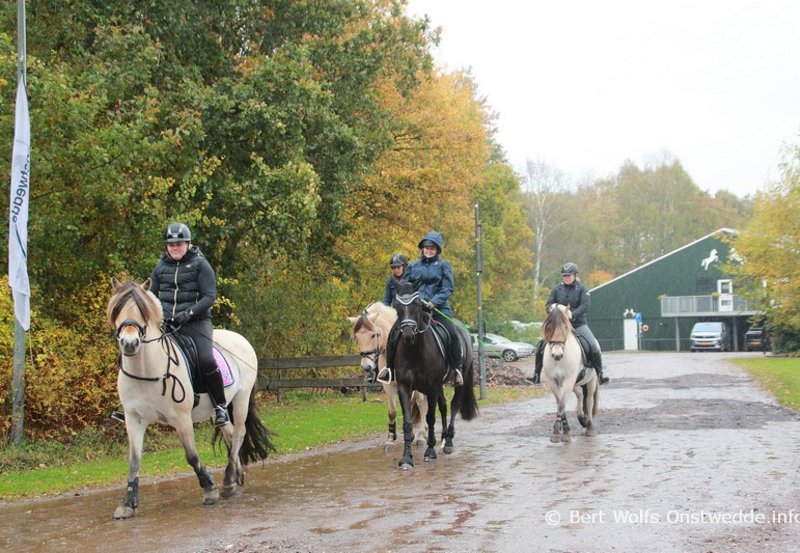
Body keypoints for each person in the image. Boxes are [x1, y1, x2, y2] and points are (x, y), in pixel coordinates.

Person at [111, 223, 230, 427]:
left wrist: (189, 312)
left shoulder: (201, 265)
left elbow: (209, 296)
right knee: (132, 354)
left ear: (187, 244)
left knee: (206, 360)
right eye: (171, 244)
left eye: (179, 244)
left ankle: (220, 406)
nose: (175, 247)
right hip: (166, 323)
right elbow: (150, 297)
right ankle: (131, 406)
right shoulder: (160, 268)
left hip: (196, 322)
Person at [379, 231, 464, 386]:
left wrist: (433, 301)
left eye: (432, 248)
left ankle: (456, 369)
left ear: (437, 250)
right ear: (422, 249)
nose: (429, 250)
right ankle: (389, 369)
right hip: (414, 309)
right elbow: (405, 286)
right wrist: (408, 300)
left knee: (451, 333)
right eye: (426, 247)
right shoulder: (413, 267)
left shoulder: (444, 266)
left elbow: (447, 288)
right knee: (393, 333)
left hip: (438, 308)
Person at [532, 262, 609, 385]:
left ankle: (600, 374)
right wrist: (555, 306)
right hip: (560, 326)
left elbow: (585, 305)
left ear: (575, 275)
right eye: (564, 276)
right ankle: (536, 374)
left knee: (593, 346)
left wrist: (572, 314)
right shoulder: (557, 289)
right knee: (541, 346)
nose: (566, 278)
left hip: (578, 324)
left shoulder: (582, 289)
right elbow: (548, 305)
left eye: (569, 275)